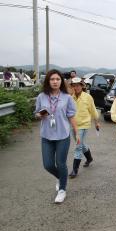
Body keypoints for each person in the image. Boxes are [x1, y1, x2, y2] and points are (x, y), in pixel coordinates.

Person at [34, 69, 78, 203]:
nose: (55, 81)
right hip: (47, 135)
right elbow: (36, 114)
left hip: (63, 135)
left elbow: (71, 116)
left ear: (61, 81)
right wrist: (40, 115)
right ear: (48, 81)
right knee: (47, 164)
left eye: (57, 79)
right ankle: (61, 177)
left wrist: (76, 132)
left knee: (61, 163)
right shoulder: (41, 96)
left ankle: (62, 190)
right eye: (52, 79)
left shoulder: (67, 97)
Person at [69, 78, 100, 178]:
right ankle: (89, 158)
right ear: (72, 87)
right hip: (73, 125)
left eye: (78, 85)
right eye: (74, 85)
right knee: (81, 144)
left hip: (84, 125)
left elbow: (93, 110)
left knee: (78, 146)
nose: (76, 87)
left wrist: (96, 122)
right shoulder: (70, 97)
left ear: (82, 86)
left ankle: (75, 170)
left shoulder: (88, 97)